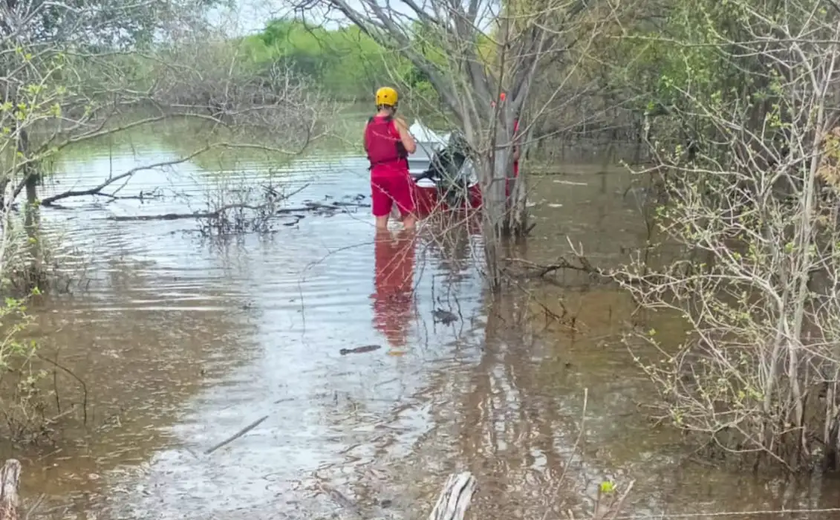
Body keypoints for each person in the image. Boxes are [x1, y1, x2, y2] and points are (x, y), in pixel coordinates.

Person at [364, 87, 418, 230]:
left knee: (381, 220)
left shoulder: (368, 124)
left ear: (377, 103)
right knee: (409, 216)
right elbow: (411, 148)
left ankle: (381, 250)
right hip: (397, 173)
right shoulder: (398, 123)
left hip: (377, 175)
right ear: (394, 104)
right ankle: (408, 249)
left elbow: (367, 147)